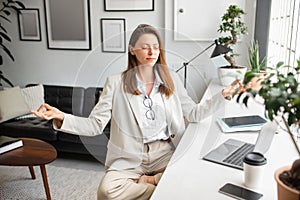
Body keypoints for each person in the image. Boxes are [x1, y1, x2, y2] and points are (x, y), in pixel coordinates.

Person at [31, 24, 227, 200]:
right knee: (107, 192)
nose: (152, 51)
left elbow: (193, 113)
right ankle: (163, 186)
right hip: (130, 157)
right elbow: (95, 125)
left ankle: (152, 181)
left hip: (164, 152)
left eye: (156, 46)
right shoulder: (115, 82)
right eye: (145, 46)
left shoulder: (172, 79)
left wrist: (223, 95)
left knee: (194, 174)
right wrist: (62, 116)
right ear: (132, 49)